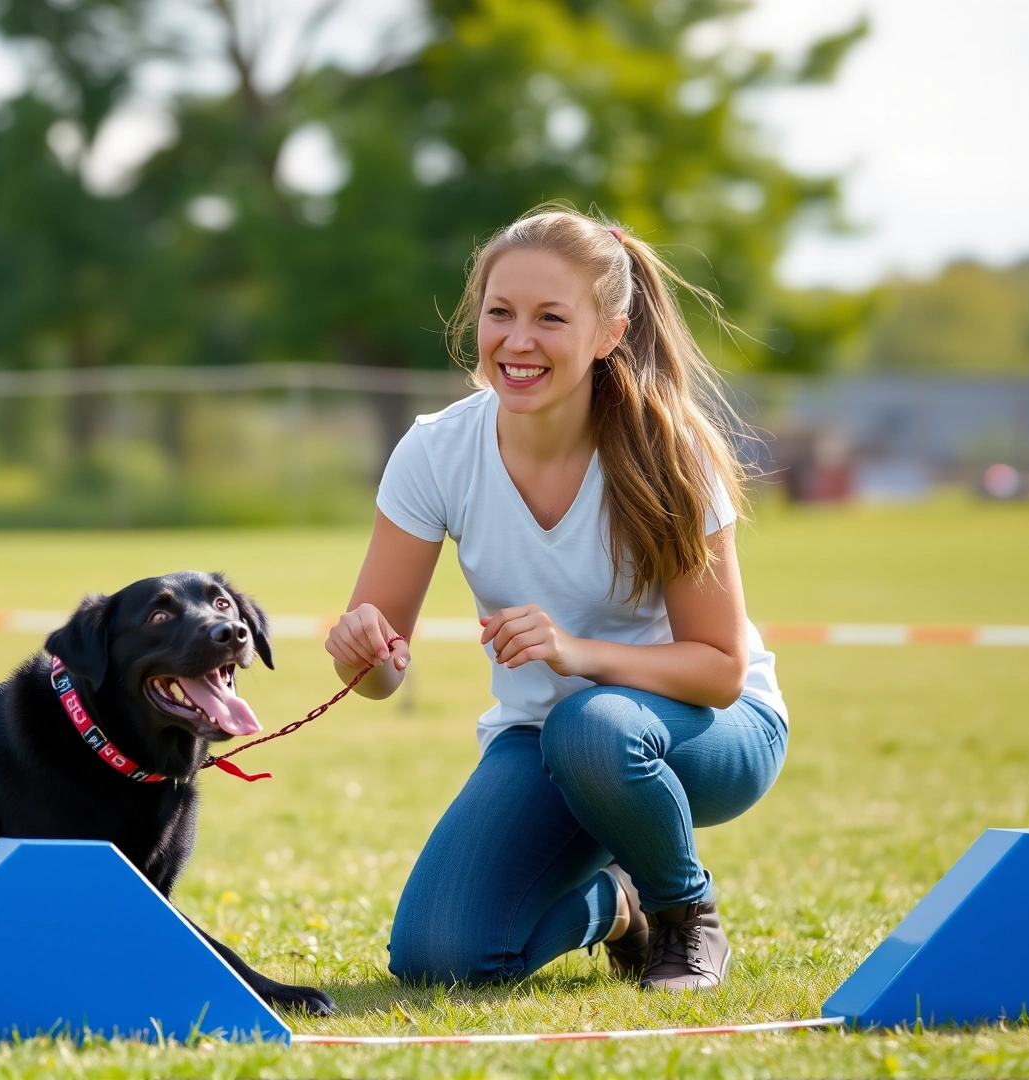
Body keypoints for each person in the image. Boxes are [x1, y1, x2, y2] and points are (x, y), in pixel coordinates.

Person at [325, 205, 788, 992]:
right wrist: (361, 654)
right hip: (543, 740)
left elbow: (718, 672)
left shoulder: (669, 453)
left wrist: (578, 655)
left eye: (550, 318)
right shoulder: (436, 453)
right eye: (500, 314)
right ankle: (618, 906)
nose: (518, 341)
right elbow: (380, 675)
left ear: (610, 331)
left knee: (591, 721)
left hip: (710, 734)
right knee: (439, 960)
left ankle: (685, 915)